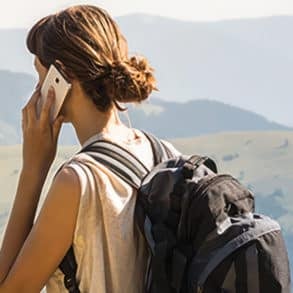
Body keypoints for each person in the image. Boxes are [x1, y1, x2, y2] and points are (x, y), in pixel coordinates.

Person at [0, 4, 179, 293]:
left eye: (40, 74)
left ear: (61, 77)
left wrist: (34, 169)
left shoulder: (78, 181)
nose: (37, 89)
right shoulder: (166, 155)